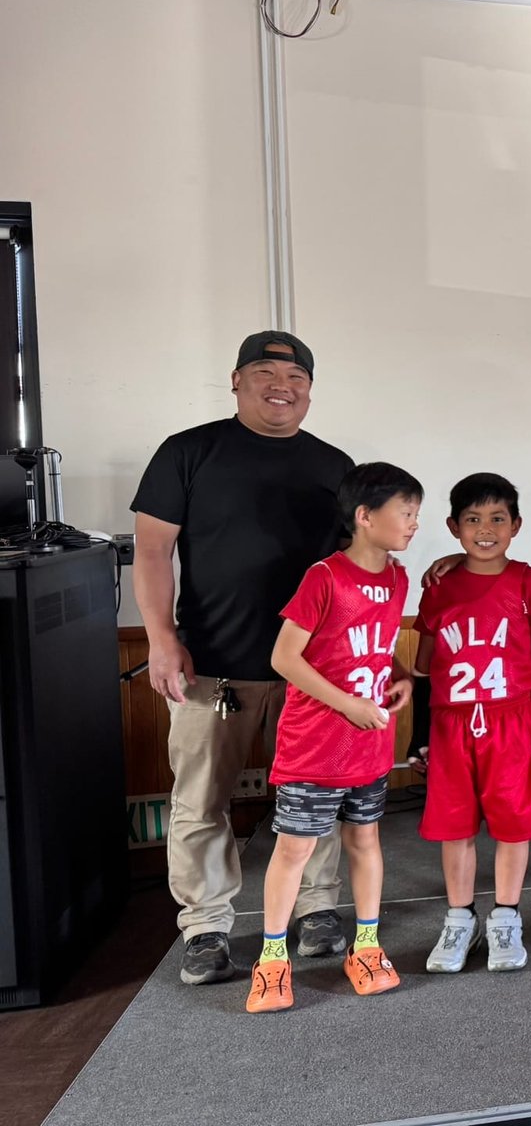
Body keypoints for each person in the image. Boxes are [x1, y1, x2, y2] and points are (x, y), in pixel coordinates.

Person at [131, 331, 353, 985]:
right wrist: (161, 638)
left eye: (296, 376)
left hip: (313, 671)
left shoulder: (335, 465)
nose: (281, 385)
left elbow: (362, 560)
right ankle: (205, 926)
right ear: (235, 380)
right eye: (264, 371)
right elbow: (152, 551)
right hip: (211, 666)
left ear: (310, 389)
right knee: (201, 802)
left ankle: (317, 908)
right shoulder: (187, 452)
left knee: (314, 796)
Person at [245, 462, 420, 1013]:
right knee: (295, 849)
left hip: (370, 746)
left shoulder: (398, 578)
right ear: (365, 516)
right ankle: (273, 959)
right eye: (405, 512)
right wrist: (347, 704)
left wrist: (400, 677)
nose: (414, 523)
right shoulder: (325, 577)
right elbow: (284, 658)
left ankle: (365, 947)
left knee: (365, 841)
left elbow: (377, 646)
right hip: (315, 746)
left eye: (415, 513)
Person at [407, 474, 531, 973]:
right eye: (473, 519)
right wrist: (419, 735)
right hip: (451, 722)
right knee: (455, 825)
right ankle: (460, 918)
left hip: (512, 719)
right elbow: (424, 665)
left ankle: (507, 916)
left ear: (516, 525)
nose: (486, 529)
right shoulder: (439, 585)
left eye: (497, 519)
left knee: (513, 824)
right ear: (454, 527)